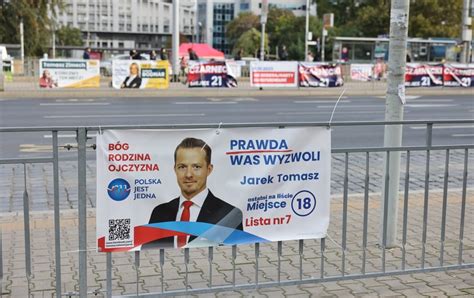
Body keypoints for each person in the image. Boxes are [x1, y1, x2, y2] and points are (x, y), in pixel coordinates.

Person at [145, 137, 243, 249]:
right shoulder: (159, 213)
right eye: (182, 167)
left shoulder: (229, 215)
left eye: (196, 167)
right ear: (175, 169)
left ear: (209, 169)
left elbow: (234, 257)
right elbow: (148, 254)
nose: (188, 174)